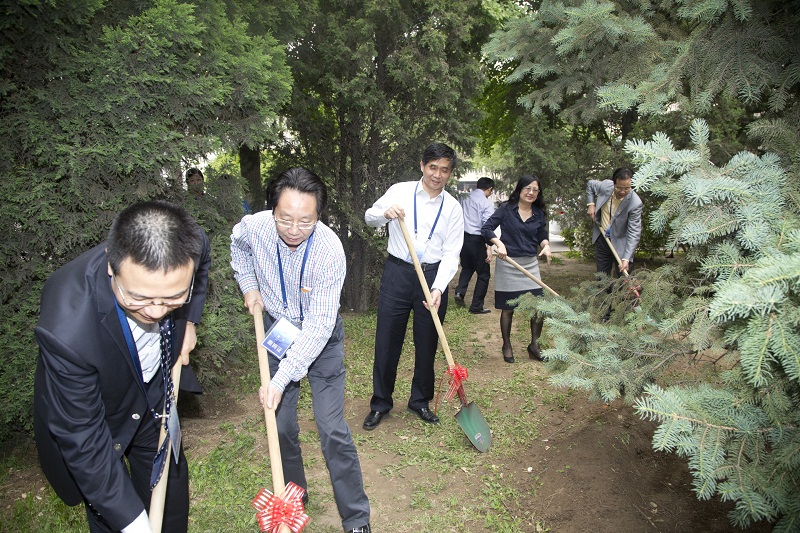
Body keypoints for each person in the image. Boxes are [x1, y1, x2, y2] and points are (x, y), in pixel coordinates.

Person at [34, 201, 211, 532]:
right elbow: (86, 442)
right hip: (99, 409)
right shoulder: (67, 328)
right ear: (111, 269)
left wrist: (189, 320)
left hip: (155, 390)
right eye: (139, 299)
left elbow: (203, 261)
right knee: (114, 512)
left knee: (169, 495)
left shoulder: (189, 242)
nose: (157, 312)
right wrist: (135, 525)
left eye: (172, 298)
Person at [230, 168, 371, 533]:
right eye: (285, 219)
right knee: (280, 423)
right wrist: (248, 285)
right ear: (271, 210)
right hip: (279, 329)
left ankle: (356, 517)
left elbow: (318, 328)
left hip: (320, 339)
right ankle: (294, 492)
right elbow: (238, 245)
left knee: (331, 427)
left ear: (319, 215)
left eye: (305, 221)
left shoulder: (329, 250)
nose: (294, 229)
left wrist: (280, 379)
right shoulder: (256, 226)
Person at [362, 142, 464, 431]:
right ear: (422, 166)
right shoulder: (400, 191)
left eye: (444, 170)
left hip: (431, 278)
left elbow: (451, 253)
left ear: (449, 173)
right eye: (433, 167)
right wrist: (385, 213)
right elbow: (369, 217)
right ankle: (380, 403)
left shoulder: (453, 208)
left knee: (427, 343)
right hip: (397, 273)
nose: (437, 174)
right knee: (386, 341)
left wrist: (438, 288)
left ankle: (420, 400)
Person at [482, 175, 551, 363]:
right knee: (508, 308)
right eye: (527, 188)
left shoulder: (538, 213)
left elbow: (541, 234)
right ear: (519, 189)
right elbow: (487, 228)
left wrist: (545, 244)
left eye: (535, 190)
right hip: (509, 263)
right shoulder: (506, 209)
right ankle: (507, 345)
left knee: (538, 308)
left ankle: (534, 345)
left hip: (530, 264)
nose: (531, 193)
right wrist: (498, 243)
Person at [586, 167, 642, 276]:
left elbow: (634, 232)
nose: (622, 192)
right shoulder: (606, 186)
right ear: (614, 183)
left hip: (621, 242)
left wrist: (626, 258)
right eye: (619, 187)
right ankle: (602, 292)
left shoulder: (635, 203)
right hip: (602, 237)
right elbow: (590, 185)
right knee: (601, 277)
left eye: (627, 188)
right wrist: (591, 204)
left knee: (624, 279)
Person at [454, 177, 495, 314]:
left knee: (467, 267)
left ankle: (460, 292)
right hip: (477, 239)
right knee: (483, 274)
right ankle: (476, 306)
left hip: (462, 237)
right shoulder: (486, 203)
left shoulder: (463, 197)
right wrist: (489, 247)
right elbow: (487, 226)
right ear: (489, 189)